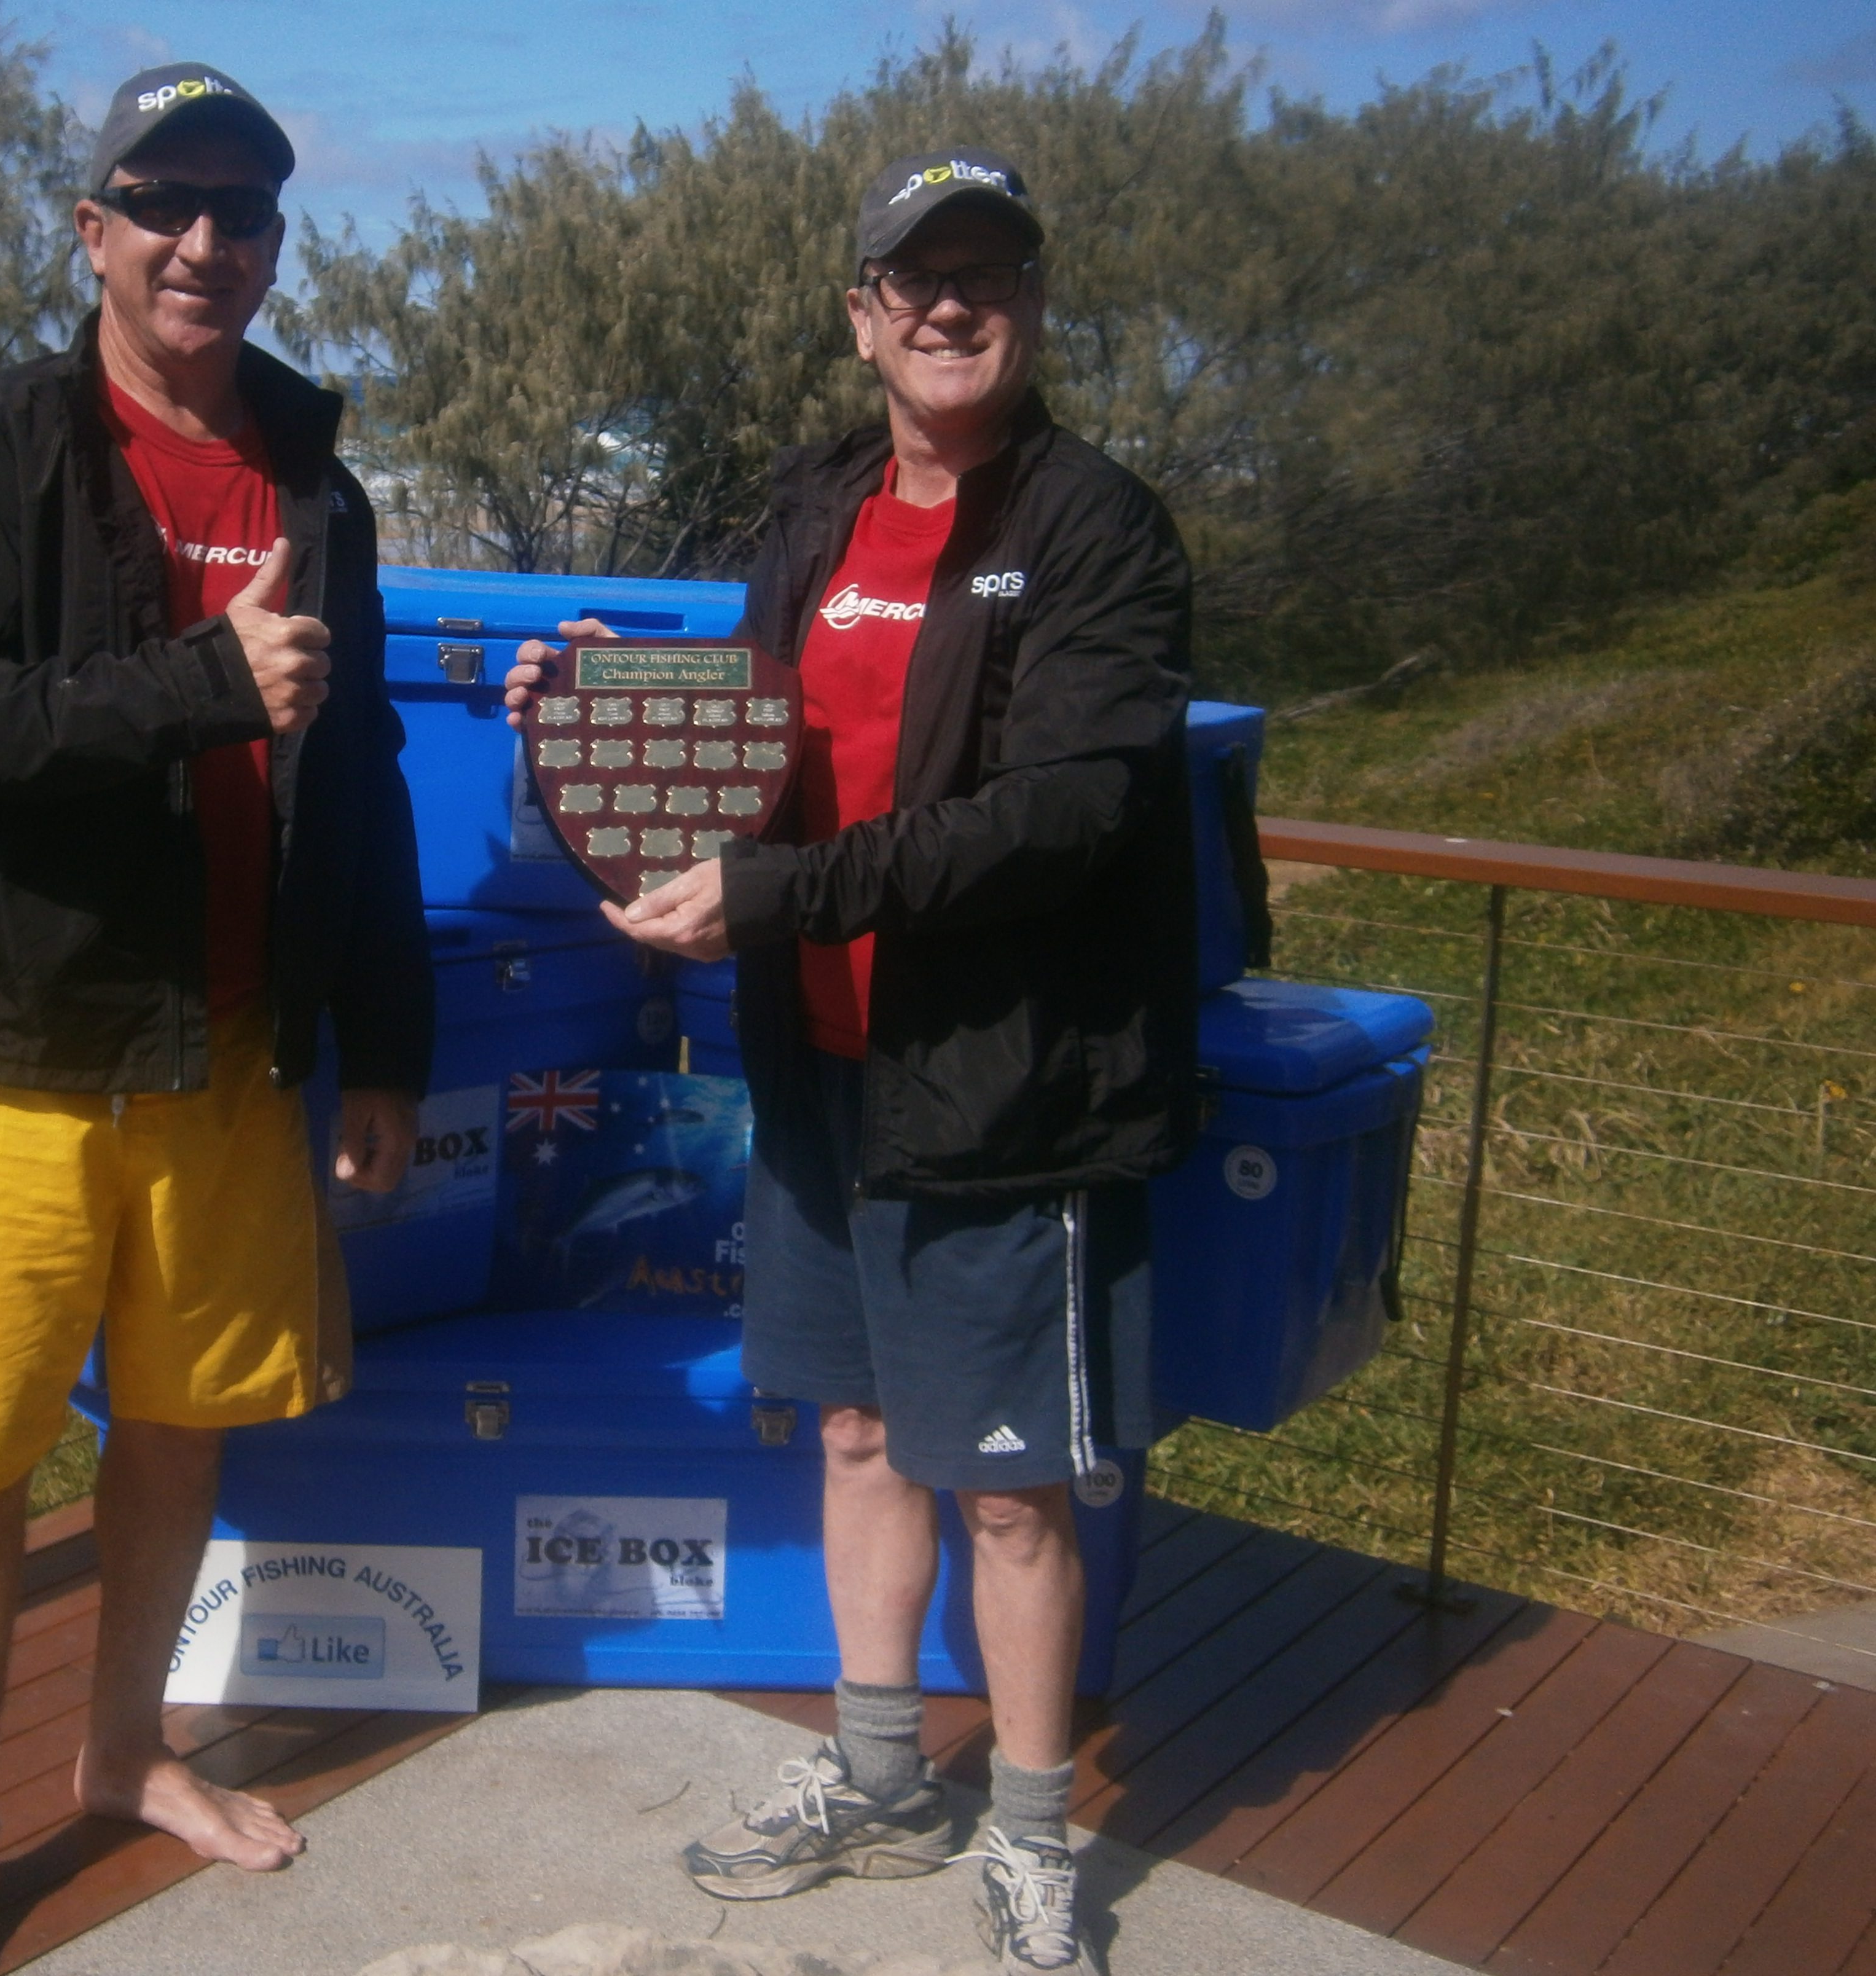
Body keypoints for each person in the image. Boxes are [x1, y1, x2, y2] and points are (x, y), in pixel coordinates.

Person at [507, 148, 1196, 1975]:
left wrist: (779, 887)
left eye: (988, 273)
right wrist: (593, 714)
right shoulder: (812, 509)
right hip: (821, 1071)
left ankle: (1036, 1830)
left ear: (1031, 306)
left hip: (1007, 1081)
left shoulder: (1101, 525)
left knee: (1010, 1484)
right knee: (864, 1429)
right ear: (862, 316)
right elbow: (752, 745)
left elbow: (1062, 819)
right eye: (917, 278)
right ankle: (883, 1777)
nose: (951, 305)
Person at [0, 63, 430, 1976]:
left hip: (232, 1056)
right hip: (7, 1060)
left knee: (177, 1430)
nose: (206, 241)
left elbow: (361, 785)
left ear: (272, 245)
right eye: (163, 202)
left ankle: (121, 1752)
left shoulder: (313, 480)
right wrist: (194, 685)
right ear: (90, 229)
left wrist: (393, 1049)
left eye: (243, 211)